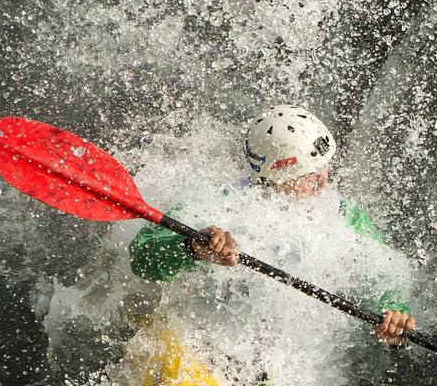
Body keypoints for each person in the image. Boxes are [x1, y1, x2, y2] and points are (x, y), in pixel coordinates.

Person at [129, 105, 416, 348]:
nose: (323, 181)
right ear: (274, 177)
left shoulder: (345, 215)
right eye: (308, 174)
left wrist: (394, 312)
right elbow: (142, 260)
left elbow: (384, 274)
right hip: (212, 346)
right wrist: (192, 247)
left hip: (299, 365)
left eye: (324, 167)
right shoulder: (217, 202)